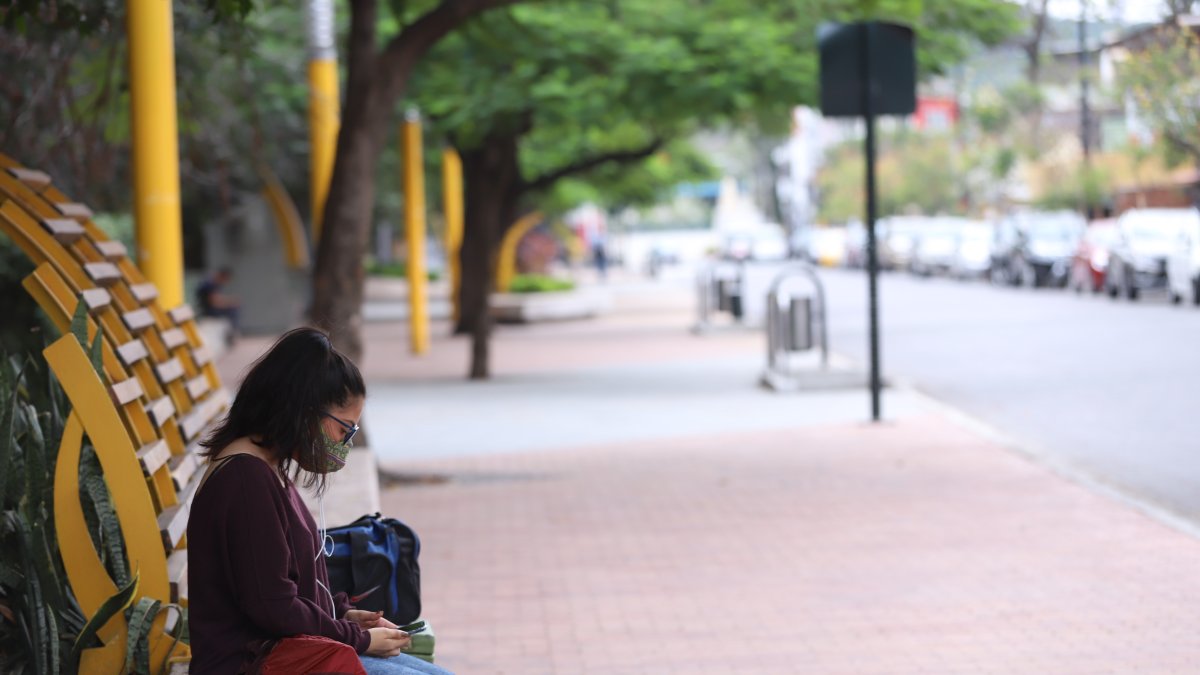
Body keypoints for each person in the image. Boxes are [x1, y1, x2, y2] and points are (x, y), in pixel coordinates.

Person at [187, 327, 452, 675]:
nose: (345, 444)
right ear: (304, 410)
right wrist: (357, 638)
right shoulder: (245, 481)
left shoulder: (264, 468)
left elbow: (282, 586)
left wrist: (341, 614)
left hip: (286, 653)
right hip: (255, 664)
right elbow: (273, 607)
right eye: (344, 429)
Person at [196, 267, 241, 338]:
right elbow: (214, 302)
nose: (225, 281)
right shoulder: (209, 284)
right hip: (208, 311)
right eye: (226, 278)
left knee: (233, 308)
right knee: (233, 310)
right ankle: (232, 333)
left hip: (209, 309)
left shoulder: (212, 283)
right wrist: (230, 302)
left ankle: (231, 333)